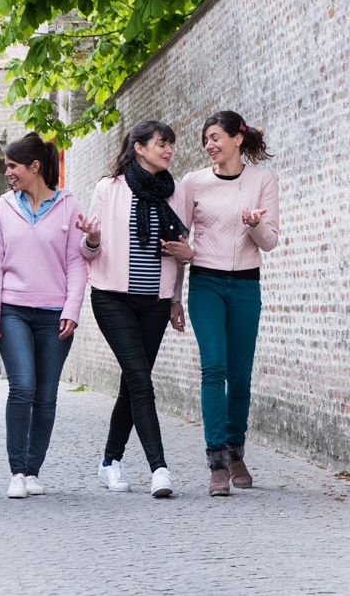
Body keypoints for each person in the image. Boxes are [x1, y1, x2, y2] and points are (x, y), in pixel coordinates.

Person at [165, 111, 278, 496]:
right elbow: (179, 244)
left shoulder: (263, 180)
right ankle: (216, 462)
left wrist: (253, 224)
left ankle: (236, 452)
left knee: (241, 377)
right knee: (214, 367)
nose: (210, 146)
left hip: (247, 286)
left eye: (216, 138)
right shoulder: (193, 183)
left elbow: (269, 241)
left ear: (237, 139)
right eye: (206, 140)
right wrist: (175, 298)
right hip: (207, 283)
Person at [76, 120, 188, 498]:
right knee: (141, 381)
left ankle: (109, 463)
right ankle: (160, 469)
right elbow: (87, 251)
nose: (168, 150)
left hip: (155, 302)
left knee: (132, 381)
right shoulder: (109, 189)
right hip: (113, 297)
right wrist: (91, 239)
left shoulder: (175, 193)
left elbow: (181, 253)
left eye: (171, 144)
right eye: (161, 143)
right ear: (139, 147)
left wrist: (175, 298)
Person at [0, 133, 87, 499]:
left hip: (54, 313)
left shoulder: (69, 207)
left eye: (13, 166)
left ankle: (33, 470)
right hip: (12, 310)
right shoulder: (1, 208)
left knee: (46, 394)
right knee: (22, 385)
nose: (8, 172)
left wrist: (72, 309)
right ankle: (16, 472)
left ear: (35, 167)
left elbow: (77, 263)